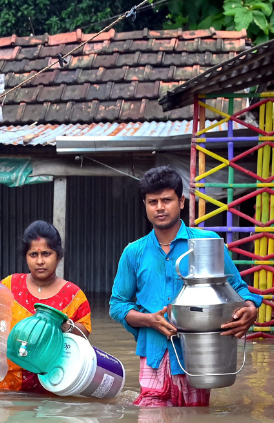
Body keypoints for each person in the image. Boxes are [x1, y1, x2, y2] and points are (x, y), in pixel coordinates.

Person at [110, 166, 261, 407]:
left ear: (181, 201)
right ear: (145, 205)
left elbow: (239, 289)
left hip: (200, 357)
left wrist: (251, 308)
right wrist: (149, 319)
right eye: (153, 201)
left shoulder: (207, 243)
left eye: (167, 200)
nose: (160, 207)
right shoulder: (134, 252)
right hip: (154, 357)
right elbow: (117, 305)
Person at [0, 220, 92, 394]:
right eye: (33, 255)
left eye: (46, 254)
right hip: (5, 386)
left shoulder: (74, 295)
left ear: (58, 256)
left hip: (51, 386)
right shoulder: (9, 286)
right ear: (25, 256)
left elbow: (84, 337)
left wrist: (65, 326)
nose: (40, 261)